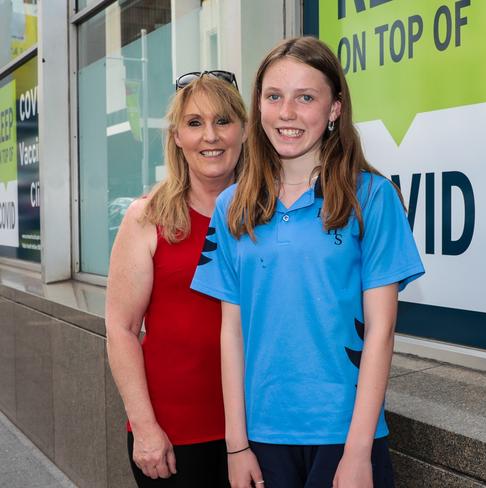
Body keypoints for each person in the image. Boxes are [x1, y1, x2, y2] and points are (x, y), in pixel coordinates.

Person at [191, 37, 424, 488]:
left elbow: (381, 333)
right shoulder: (231, 206)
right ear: (258, 106)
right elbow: (231, 332)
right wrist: (236, 445)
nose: (287, 113)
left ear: (334, 109)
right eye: (274, 96)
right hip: (262, 437)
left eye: (306, 97)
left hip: (346, 436)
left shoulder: (372, 198)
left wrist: (358, 455)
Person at [105, 71, 246, 487]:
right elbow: (121, 327)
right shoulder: (147, 217)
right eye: (195, 123)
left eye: (223, 121)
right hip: (172, 436)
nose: (211, 136)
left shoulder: (266, 215)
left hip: (258, 429)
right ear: (177, 137)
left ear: (242, 131)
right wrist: (145, 428)